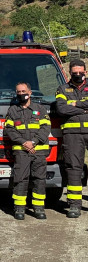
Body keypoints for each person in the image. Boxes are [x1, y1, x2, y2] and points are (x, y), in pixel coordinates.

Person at [4, 82, 51, 220]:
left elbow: (46, 128)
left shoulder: (40, 109)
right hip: (21, 151)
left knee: (39, 179)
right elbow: (9, 130)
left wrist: (34, 142)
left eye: (23, 91)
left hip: (39, 151)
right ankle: (19, 209)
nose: (21, 94)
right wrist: (23, 142)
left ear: (30, 93)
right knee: (20, 179)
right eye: (18, 92)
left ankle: (39, 209)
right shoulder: (12, 111)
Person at [56, 59, 88, 218]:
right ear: (69, 72)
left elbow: (68, 107)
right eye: (74, 73)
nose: (77, 75)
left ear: (85, 72)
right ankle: (75, 206)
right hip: (72, 135)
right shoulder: (62, 88)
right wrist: (84, 109)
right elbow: (61, 109)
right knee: (74, 168)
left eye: (80, 72)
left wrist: (75, 104)